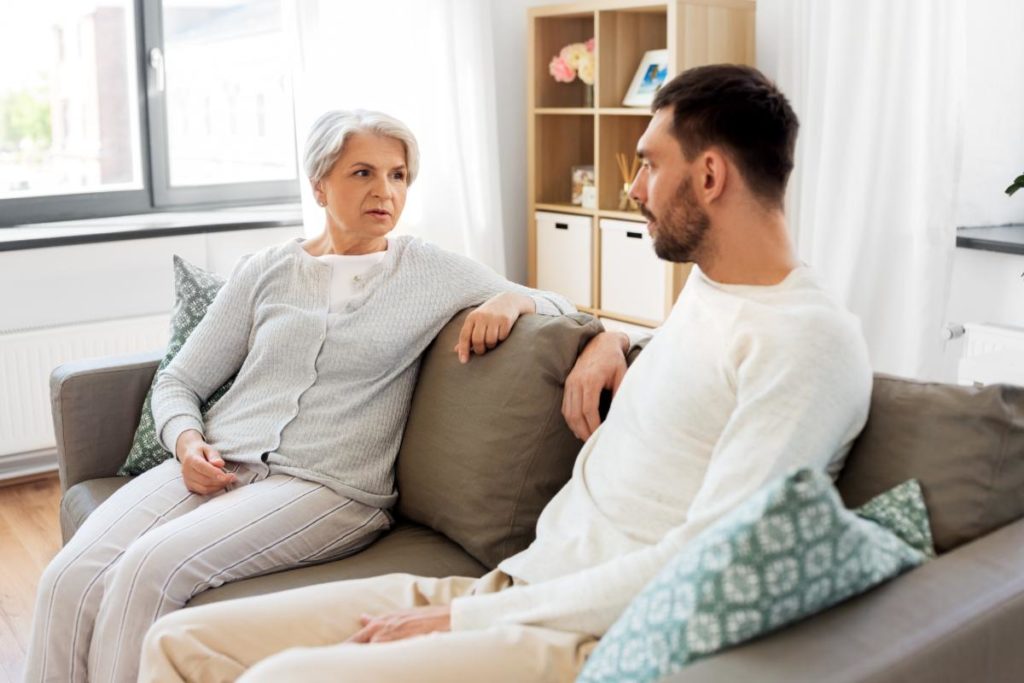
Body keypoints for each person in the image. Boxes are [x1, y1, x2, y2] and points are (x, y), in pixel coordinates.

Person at [137, 64, 873, 683]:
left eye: (649, 162)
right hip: (515, 581)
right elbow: (689, 386)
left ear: (710, 174)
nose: (634, 187)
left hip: (574, 634)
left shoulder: (809, 344)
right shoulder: (713, 292)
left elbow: (707, 560)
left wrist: (465, 617)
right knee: (178, 642)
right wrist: (608, 336)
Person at [24, 109, 574, 683]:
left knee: (147, 570)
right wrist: (186, 443)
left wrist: (510, 302)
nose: (385, 191)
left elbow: (562, 307)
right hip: (219, 457)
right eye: (363, 172)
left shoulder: (430, 270)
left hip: (329, 487)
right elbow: (178, 380)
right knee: (69, 575)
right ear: (319, 184)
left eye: (398, 175)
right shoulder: (267, 269)